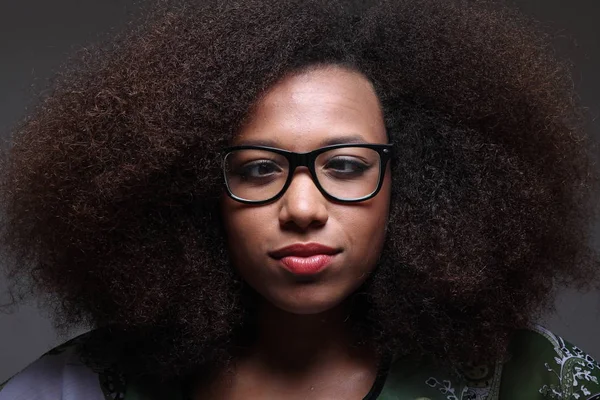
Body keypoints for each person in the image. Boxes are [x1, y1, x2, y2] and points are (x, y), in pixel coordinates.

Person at [1, 0, 599, 398]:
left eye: (344, 166)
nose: (304, 208)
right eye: (260, 169)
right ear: (188, 193)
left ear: (414, 185)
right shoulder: (79, 387)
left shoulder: (523, 379)